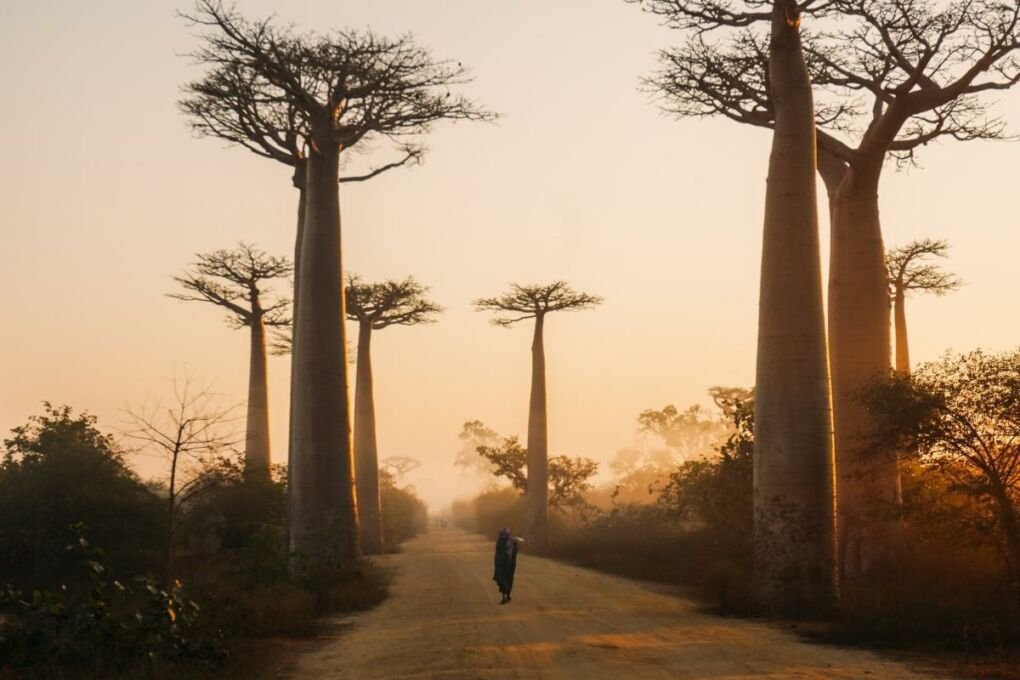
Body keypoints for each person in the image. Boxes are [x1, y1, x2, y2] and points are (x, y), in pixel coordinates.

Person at [493, 527, 519, 604]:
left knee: (503, 580)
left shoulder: (499, 542)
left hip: (501, 565)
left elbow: (498, 555)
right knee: (508, 580)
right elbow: (515, 553)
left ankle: (505, 596)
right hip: (509, 565)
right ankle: (507, 596)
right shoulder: (512, 541)